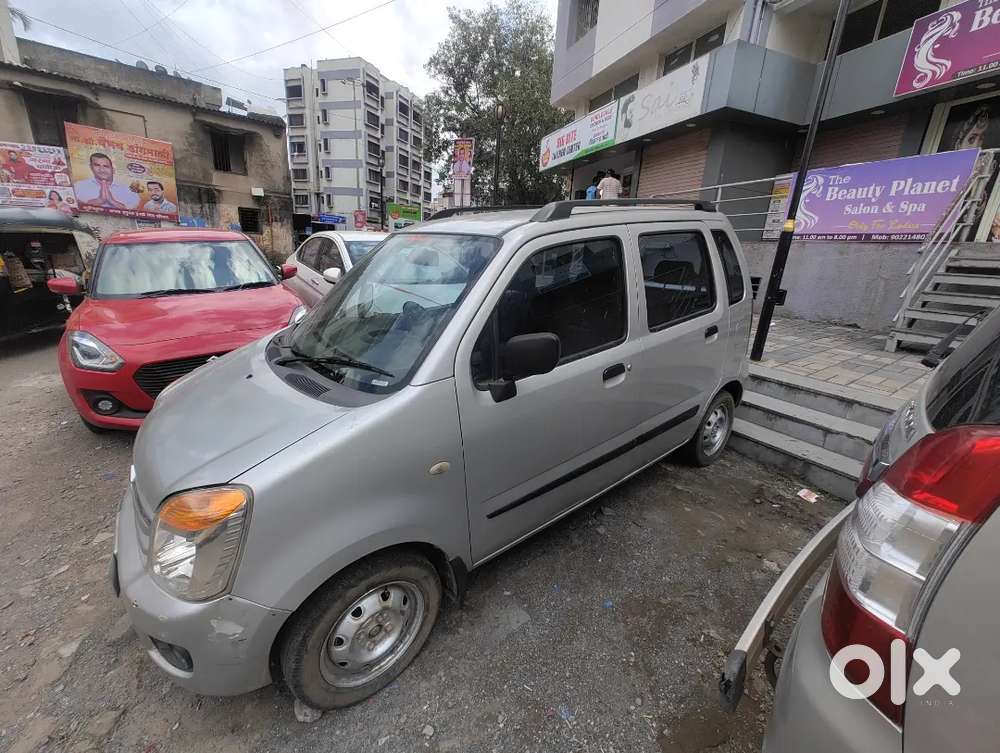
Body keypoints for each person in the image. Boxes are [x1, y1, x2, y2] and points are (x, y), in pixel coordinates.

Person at [73, 152, 139, 210]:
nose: (102, 170)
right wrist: (99, 200)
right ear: (91, 167)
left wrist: (112, 201)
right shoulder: (78, 186)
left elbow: (134, 210)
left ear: (113, 169)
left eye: (106, 166)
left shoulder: (129, 190)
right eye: (97, 165)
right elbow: (73, 206)